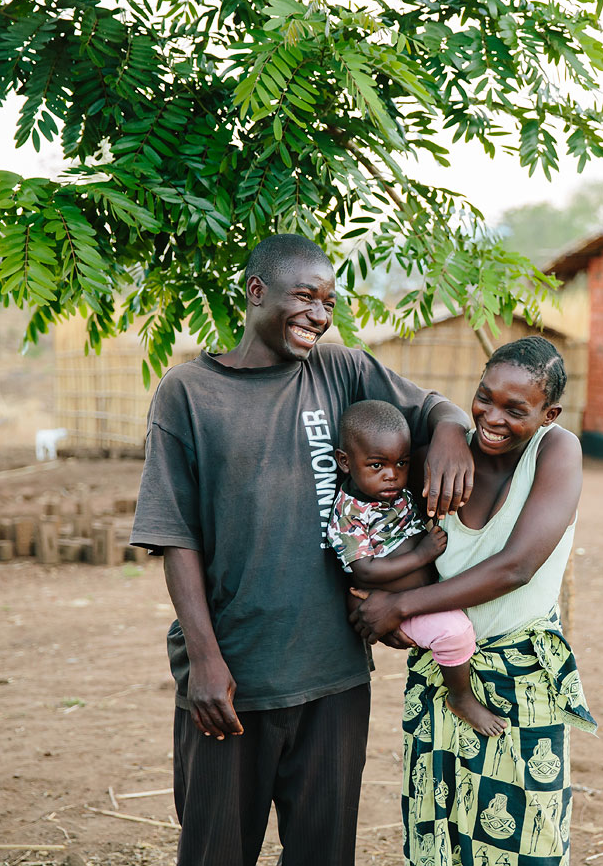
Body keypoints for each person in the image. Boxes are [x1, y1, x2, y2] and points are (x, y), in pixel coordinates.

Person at [130, 233, 475, 866]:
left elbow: (434, 407)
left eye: (330, 302)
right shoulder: (189, 393)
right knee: (216, 851)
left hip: (333, 672)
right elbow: (174, 534)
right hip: (235, 676)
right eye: (306, 296)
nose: (320, 314)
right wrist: (204, 660)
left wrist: (450, 432)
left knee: (324, 851)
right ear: (256, 291)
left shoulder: (340, 370)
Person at [348, 336, 598, 866]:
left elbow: (517, 566)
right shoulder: (440, 456)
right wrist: (385, 601)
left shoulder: (556, 451)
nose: (493, 416)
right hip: (441, 674)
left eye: (516, 409)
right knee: (440, 837)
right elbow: (384, 532)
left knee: (528, 838)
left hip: (522, 673)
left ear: (549, 413)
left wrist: (402, 607)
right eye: (484, 397)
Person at [327, 399, 505, 737]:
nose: (391, 475)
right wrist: (422, 556)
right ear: (345, 462)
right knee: (454, 633)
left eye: (401, 463)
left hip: (419, 592)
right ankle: (461, 697)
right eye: (377, 465)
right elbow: (364, 570)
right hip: (400, 603)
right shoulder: (350, 513)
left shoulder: (394, 495)